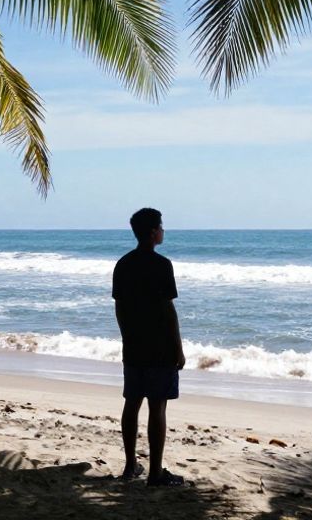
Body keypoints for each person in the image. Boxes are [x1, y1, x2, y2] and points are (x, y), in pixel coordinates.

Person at [112, 207, 186, 487]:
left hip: (133, 345)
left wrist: (126, 338)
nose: (163, 231)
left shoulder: (124, 264)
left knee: (132, 403)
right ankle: (155, 472)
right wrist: (178, 348)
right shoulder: (162, 265)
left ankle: (131, 465)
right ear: (154, 232)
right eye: (161, 227)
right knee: (158, 407)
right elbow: (168, 311)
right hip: (160, 346)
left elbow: (119, 308)